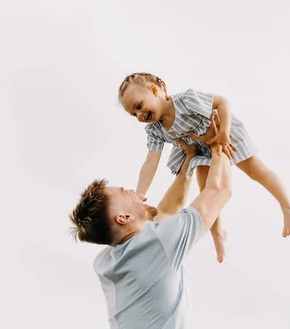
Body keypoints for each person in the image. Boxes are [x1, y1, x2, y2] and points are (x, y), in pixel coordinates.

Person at [117, 72, 290, 263]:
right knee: (206, 192)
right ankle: (217, 233)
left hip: (221, 132)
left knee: (255, 169)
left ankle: (287, 205)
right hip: (199, 148)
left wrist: (224, 133)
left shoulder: (186, 101)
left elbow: (223, 103)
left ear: (154, 90)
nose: (139, 115)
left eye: (139, 106)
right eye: (133, 114)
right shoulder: (155, 130)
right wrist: (139, 193)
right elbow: (150, 161)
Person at [70, 116, 232, 328]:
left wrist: (190, 160)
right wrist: (220, 143)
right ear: (123, 218)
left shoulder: (108, 261)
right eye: (125, 193)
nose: (132, 190)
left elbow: (164, 213)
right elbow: (220, 190)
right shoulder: (156, 244)